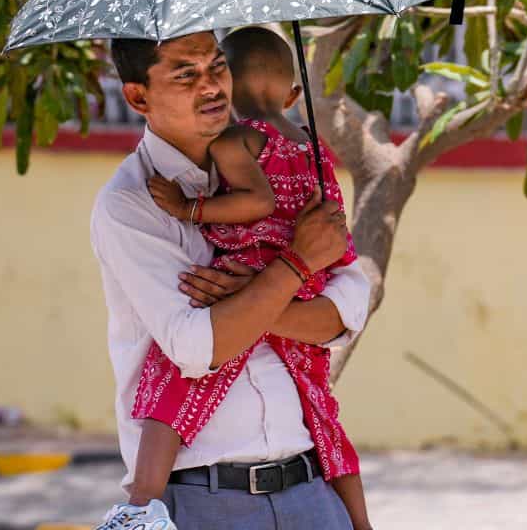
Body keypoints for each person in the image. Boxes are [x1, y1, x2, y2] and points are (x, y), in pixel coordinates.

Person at [89, 31, 371, 530]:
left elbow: (346, 306)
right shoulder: (131, 202)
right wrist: (295, 270)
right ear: (137, 96)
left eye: (217, 66)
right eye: (186, 75)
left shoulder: (272, 152)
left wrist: (257, 298)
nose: (212, 86)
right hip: (205, 500)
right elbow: (198, 346)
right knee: (175, 382)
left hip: (311, 488)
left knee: (329, 417)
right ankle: (136, 512)